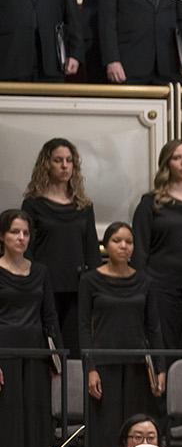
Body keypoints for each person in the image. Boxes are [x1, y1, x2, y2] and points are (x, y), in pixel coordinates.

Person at [80, 223, 164, 447]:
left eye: (128, 241)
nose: (124, 246)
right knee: (106, 435)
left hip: (138, 367)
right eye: (117, 240)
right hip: (104, 366)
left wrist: (159, 367)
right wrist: (90, 367)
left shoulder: (144, 280)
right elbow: (83, 327)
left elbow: (154, 327)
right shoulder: (90, 280)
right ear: (107, 244)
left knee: (137, 433)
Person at [0, 209, 61, 447]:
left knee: (37, 421)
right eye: (15, 231)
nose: (21, 237)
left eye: (25, 232)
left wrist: (55, 358)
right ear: (2, 236)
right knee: (9, 422)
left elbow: (50, 316)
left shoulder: (40, 271)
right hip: (6, 354)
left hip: (36, 354)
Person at [21, 139, 96, 349]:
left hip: (77, 288)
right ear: (47, 164)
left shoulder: (84, 206)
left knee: (74, 347)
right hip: (45, 286)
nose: (64, 166)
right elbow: (27, 249)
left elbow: (91, 250)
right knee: (48, 346)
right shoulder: (33, 204)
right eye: (58, 160)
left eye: (69, 160)